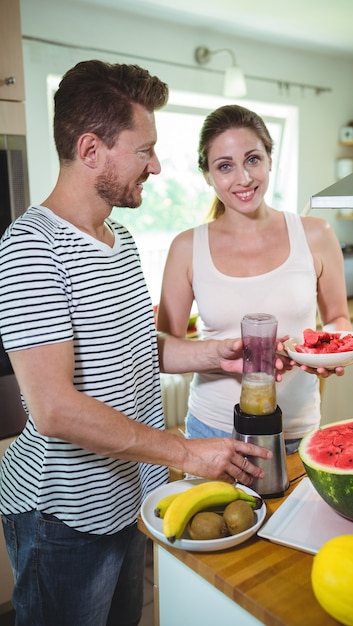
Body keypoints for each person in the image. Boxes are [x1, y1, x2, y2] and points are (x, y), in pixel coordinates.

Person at [0, 63, 272, 626]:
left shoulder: (118, 239)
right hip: (63, 514)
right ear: (92, 150)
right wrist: (185, 451)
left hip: (126, 495)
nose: (156, 165)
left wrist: (215, 353)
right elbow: (53, 409)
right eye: (144, 150)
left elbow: (131, 347)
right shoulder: (31, 247)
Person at [157, 104, 352, 454]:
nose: (244, 179)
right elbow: (162, 350)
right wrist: (221, 355)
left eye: (252, 159)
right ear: (207, 175)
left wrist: (326, 354)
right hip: (212, 431)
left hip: (295, 430)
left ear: (270, 159)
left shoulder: (317, 234)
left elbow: (338, 319)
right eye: (225, 166)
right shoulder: (187, 247)